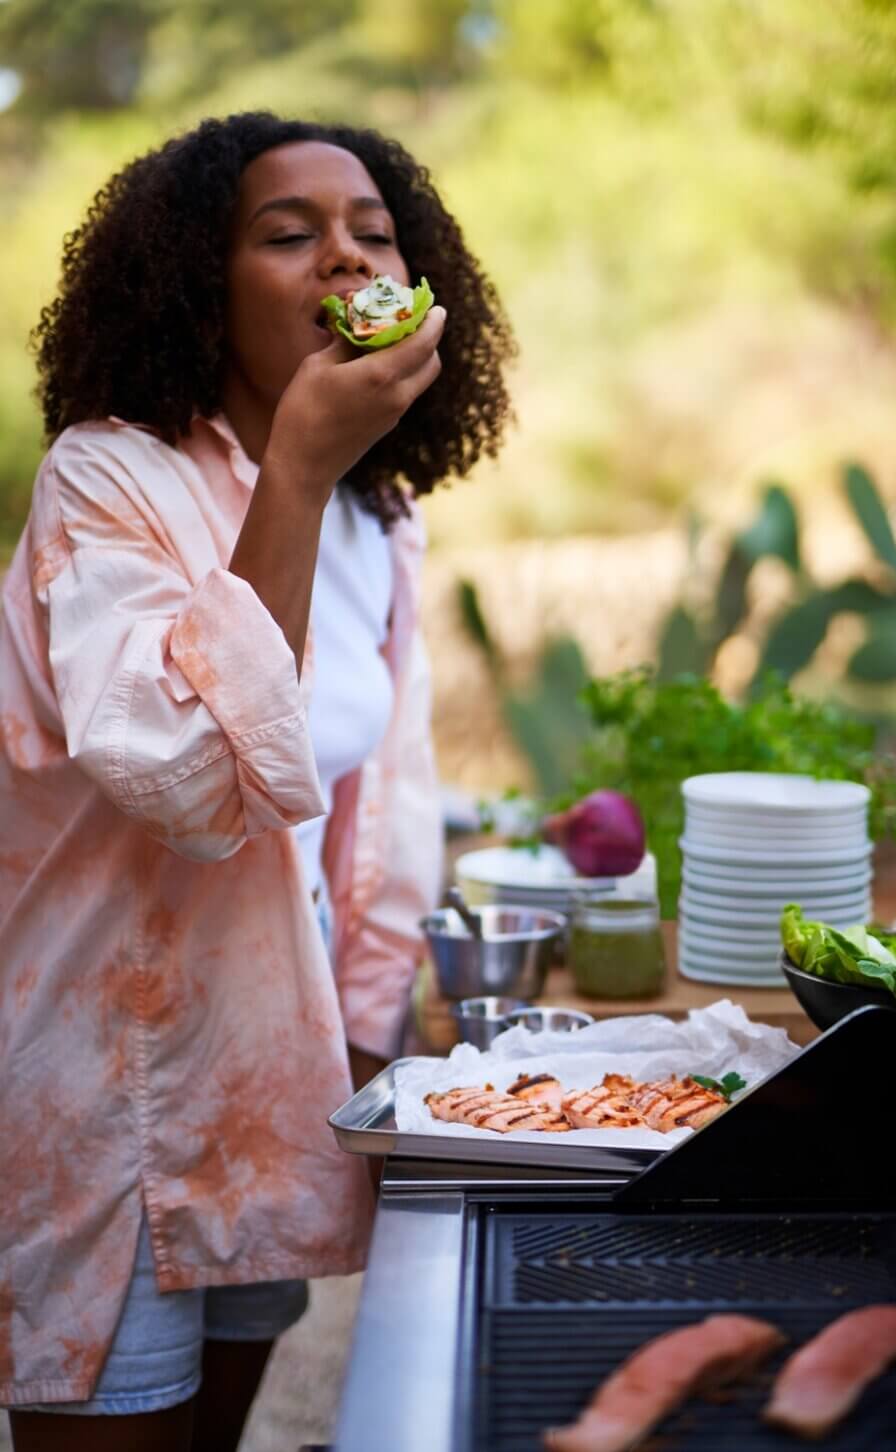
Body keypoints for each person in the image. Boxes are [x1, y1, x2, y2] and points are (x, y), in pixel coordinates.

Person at [0, 110, 513, 1450]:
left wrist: (361, 1033)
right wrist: (292, 464)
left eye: (374, 234)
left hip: (276, 1078)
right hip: (115, 1078)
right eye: (289, 236)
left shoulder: (378, 514)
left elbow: (380, 800)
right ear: (197, 286)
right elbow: (181, 775)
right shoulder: (106, 480)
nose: (344, 257)